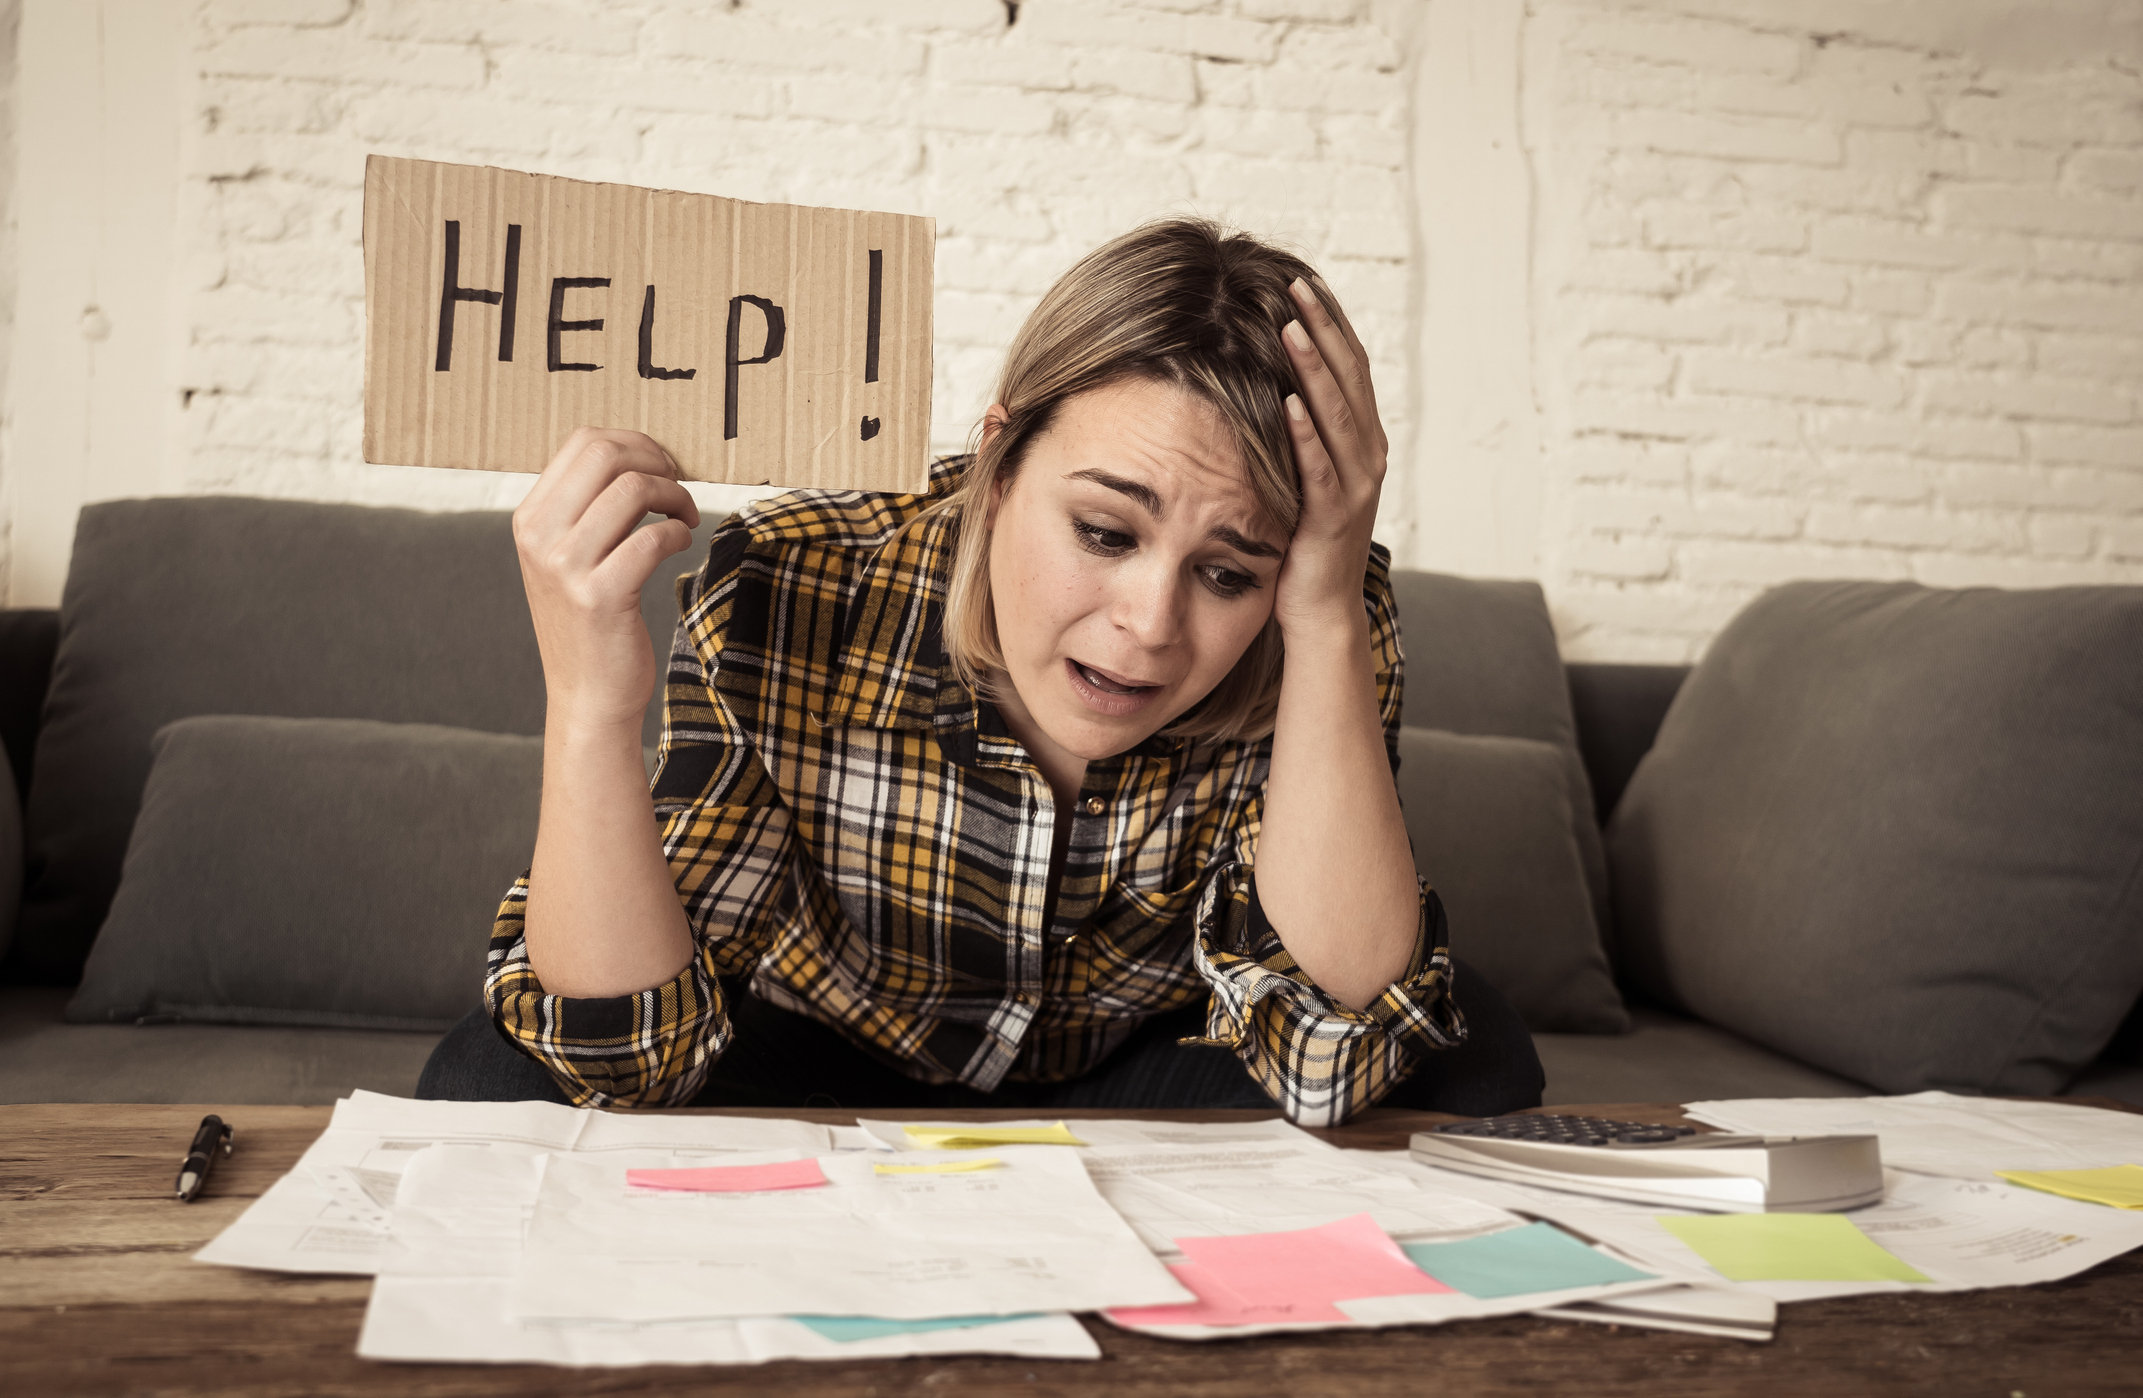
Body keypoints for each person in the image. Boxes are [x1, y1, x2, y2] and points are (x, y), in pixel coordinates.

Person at [419, 218, 1544, 1125]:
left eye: (1227, 573)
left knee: (1467, 1058)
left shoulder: (1322, 612)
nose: (1150, 624)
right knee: (491, 1085)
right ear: (997, 463)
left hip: (1132, 1075)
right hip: (823, 1058)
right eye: (1106, 532)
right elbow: (628, 1057)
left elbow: (1332, 1058)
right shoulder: (790, 578)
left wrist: (1324, 613)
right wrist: (589, 704)